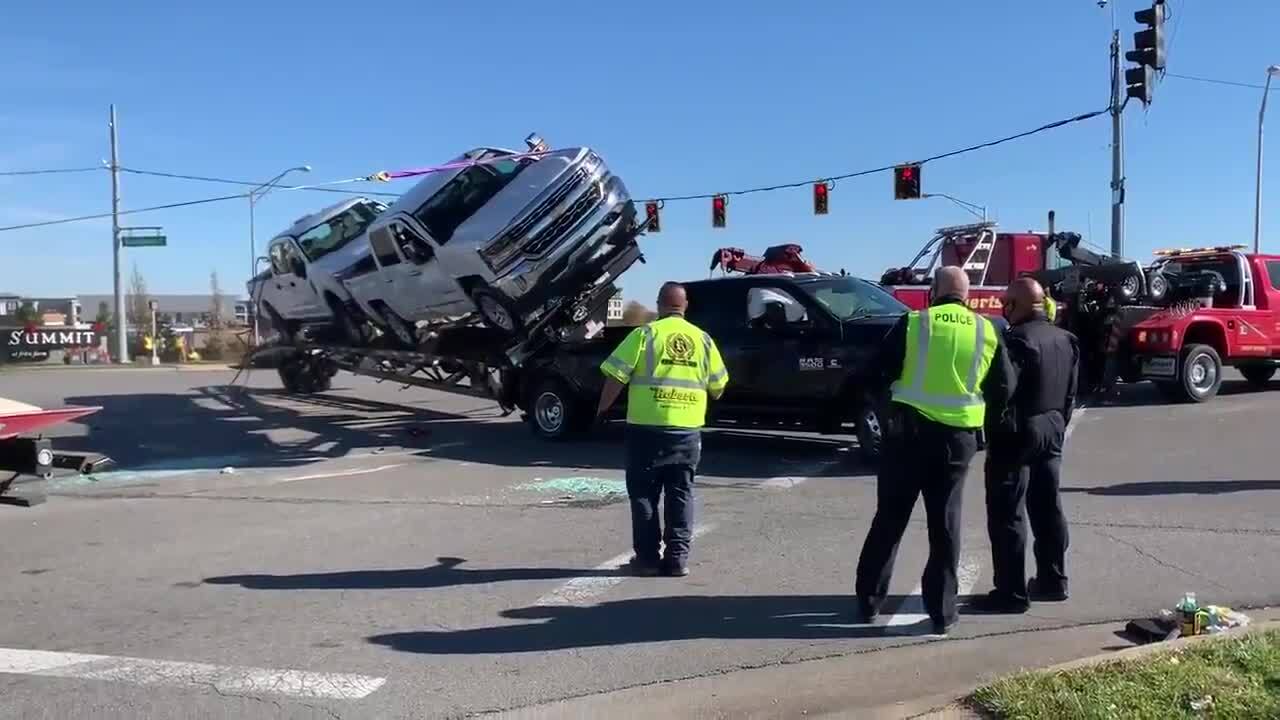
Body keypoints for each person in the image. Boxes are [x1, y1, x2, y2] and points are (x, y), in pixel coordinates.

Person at [854, 266, 1015, 635]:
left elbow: (875, 372)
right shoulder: (985, 330)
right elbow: (1004, 386)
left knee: (889, 519)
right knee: (945, 525)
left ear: (932, 291)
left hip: (907, 435)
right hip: (957, 440)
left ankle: (869, 602)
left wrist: (887, 409)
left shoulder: (914, 323)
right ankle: (942, 613)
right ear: (968, 295)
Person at [597, 282, 729, 577]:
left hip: (645, 428)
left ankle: (646, 561)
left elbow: (616, 376)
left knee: (644, 495)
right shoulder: (703, 339)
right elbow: (719, 387)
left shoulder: (644, 334)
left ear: (659, 305)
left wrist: (602, 410)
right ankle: (677, 560)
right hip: (686, 431)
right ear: (685, 306)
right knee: (681, 493)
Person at [974, 277, 1080, 613]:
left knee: (1007, 513)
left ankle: (1011, 593)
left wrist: (991, 427)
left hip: (1018, 433)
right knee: (1048, 507)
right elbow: (1072, 391)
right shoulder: (1066, 339)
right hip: (1053, 427)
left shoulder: (1017, 340)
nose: (1004, 310)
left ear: (1016, 306)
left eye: (1006, 304)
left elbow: (1002, 389)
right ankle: (1054, 580)